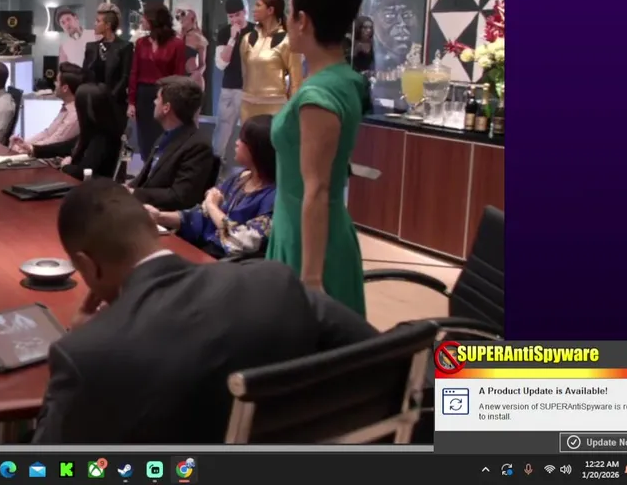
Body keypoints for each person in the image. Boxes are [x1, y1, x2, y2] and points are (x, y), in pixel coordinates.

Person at [31, 179, 377, 444]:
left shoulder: (86, 352)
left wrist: (80, 338)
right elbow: (379, 354)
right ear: (153, 226)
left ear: (86, 266)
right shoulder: (276, 282)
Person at [270, 0, 372, 317]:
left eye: (289, 14)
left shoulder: (320, 94)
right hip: (297, 224)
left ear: (303, 21)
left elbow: (317, 187)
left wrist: (311, 278)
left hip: (310, 241)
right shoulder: (342, 79)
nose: (286, 22)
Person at [146, 115, 277, 260]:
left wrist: (212, 206)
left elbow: (240, 241)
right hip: (203, 251)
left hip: (227, 265)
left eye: (242, 140)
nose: (237, 143)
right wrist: (159, 217)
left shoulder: (273, 198)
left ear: (257, 150)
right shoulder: (241, 178)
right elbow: (200, 217)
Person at [126, 76, 213, 211]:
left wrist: (136, 194)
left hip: (161, 215)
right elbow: (145, 178)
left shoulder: (198, 147)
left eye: (158, 99)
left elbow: (179, 196)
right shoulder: (166, 136)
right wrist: (124, 189)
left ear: (166, 108)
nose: (154, 102)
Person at [26, 84, 123, 179]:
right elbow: (65, 147)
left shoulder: (102, 138)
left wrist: (65, 167)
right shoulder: (94, 131)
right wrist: (33, 149)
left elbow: (83, 172)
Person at [128, 2, 186, 158]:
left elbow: (179, 75)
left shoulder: (177, 44)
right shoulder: (141, 43)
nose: (141, 20)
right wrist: (131, 102)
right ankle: (146, 169)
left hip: (165, 95)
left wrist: (173, 100)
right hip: (143, 95)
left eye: (144, 17)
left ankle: (163, 168)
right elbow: (134, 72)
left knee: (165, 138)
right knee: (145, 139)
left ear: (153, 19)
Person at [240, 0, 303, 122]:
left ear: (270, 10)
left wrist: (293, 112)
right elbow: (244, 73)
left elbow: (296, 82)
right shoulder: (247, 39)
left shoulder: (287, 41)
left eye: (258, 5)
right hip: (248, 106)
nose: (253, 9)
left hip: (275, 107)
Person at [212, 0, 255, 159]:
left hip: (250, 89)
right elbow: (221, 64)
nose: (235, 19)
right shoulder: (224, 32)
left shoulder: (255, 31)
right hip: (230, 88)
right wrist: (232, 39)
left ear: (244, 12)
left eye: (238, 15)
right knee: (222, 129)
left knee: (251, 131)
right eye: (231, 16)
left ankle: (253, 166)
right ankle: (216, 164)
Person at [10, 63, 81, 153]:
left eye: (57, 81)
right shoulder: (65, 108)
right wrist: (24, 144)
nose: (54, 83)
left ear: (65, 88)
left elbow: (55, 142)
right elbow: (47, 133)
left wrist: (29, 148)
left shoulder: (74, 115)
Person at [81, 5, 132, 125]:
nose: (94, 24)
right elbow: (85, 75)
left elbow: (125, 77)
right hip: (93, 102)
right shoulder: (91, 47)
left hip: (116, 104)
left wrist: (110, 98)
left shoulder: (125, 47)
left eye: (98, 21)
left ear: (108, 25)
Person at [176, 8, 209, 92]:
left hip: (192, 78)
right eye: (179, 17)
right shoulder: (176, 37)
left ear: (192, 18)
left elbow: (203, 64)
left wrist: (194, 76)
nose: (181, 18)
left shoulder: (199, 38)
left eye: (184, 15)